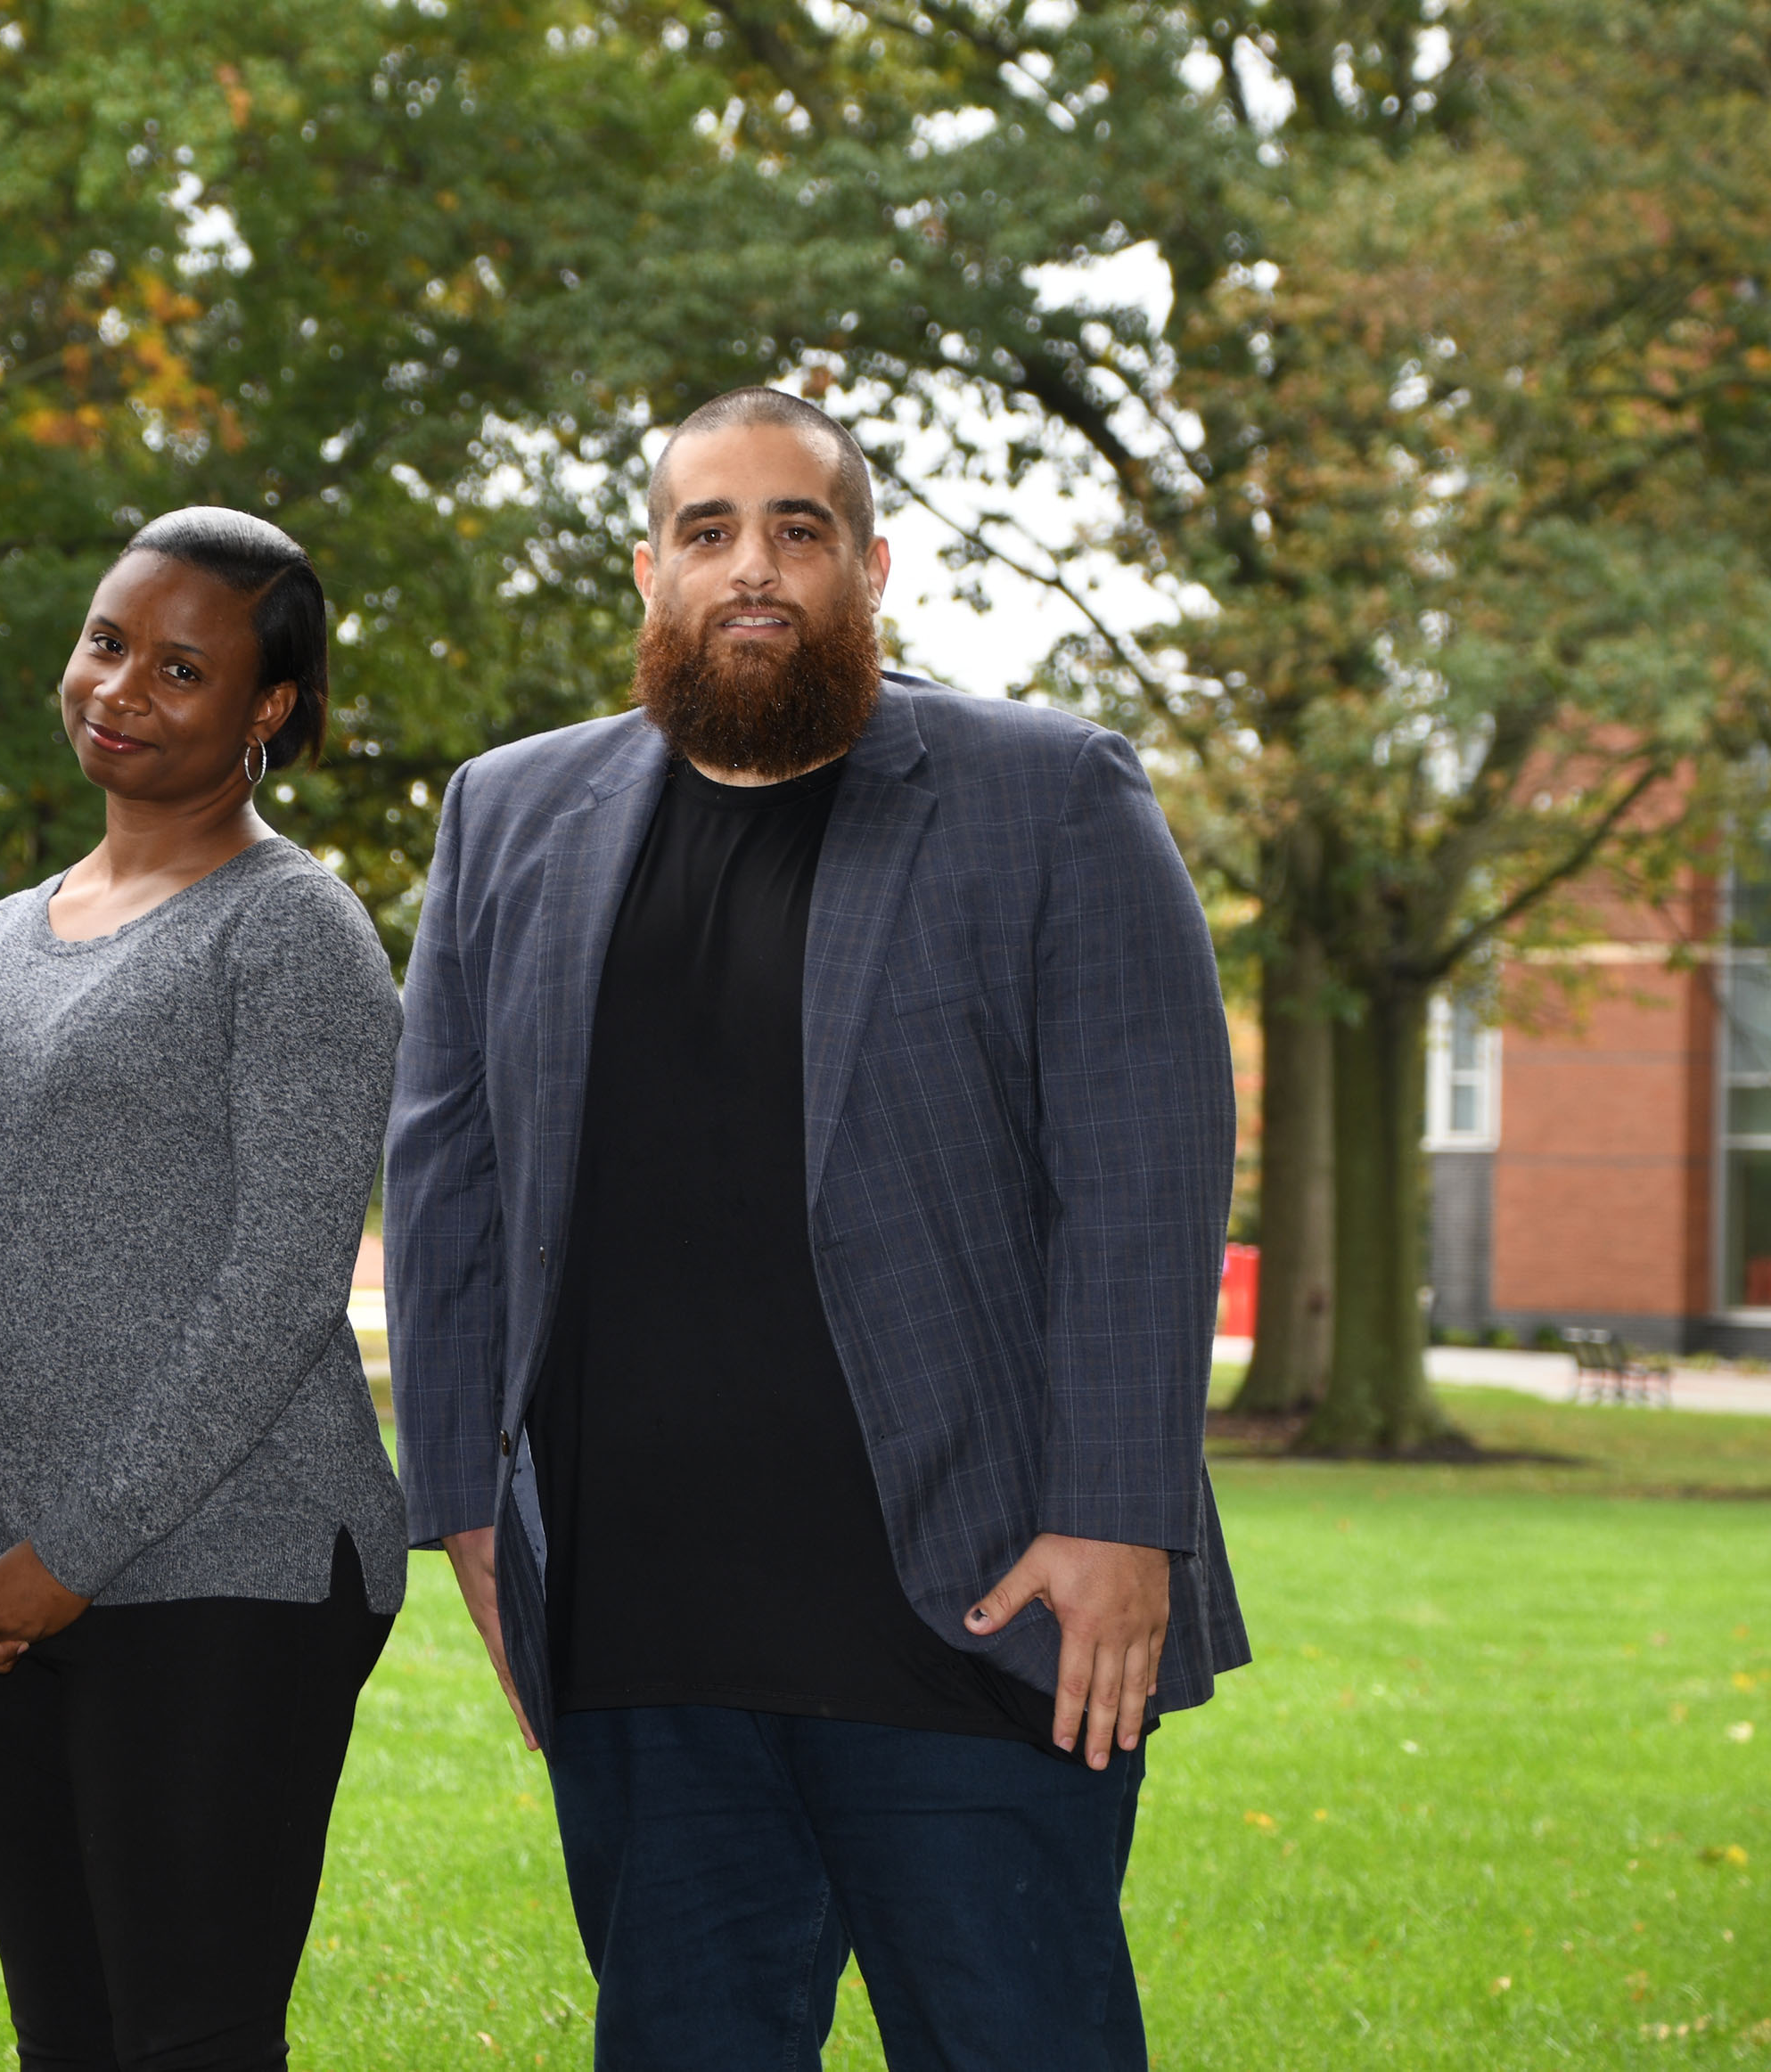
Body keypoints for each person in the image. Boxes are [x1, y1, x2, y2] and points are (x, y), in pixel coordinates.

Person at [385, 389, 1247, 2070]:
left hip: (985, 1619)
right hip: (647, 1640)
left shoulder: (1049, 795)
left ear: (871, 569)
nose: (753, 566)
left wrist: (1121, 1515)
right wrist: (467, 1509)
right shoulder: (508, 814)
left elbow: (1144, 1170)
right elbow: (446, 1181)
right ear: (649, 574)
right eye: (709, 531)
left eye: (799, 528)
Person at [0, 508, 407, 2072]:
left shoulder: (297, 932)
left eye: (184, 668)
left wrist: (75, 1553)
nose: (123, 686)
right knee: (68, 2034)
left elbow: (282, 1291)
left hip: (232, 1578)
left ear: (269, 715)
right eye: (110, 640)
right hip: (1, 1595)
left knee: (191, 2037)